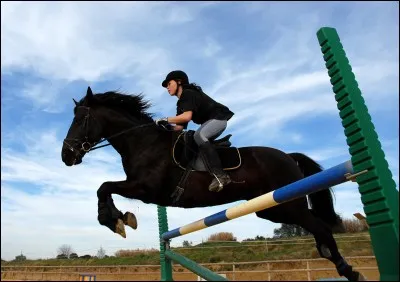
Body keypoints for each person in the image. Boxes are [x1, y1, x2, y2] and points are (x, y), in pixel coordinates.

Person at [155, 70, 234, 192]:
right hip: (210, 123)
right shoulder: (181, 103)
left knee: (199, 135)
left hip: (219, 118)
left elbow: (186, 117)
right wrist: (164, 127)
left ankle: (221, 176)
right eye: (166, 86)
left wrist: (165, 119)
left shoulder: (188, 93)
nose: (167, 87)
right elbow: (178, 128)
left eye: (169, 83)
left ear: (179, 81)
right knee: (193, 146)